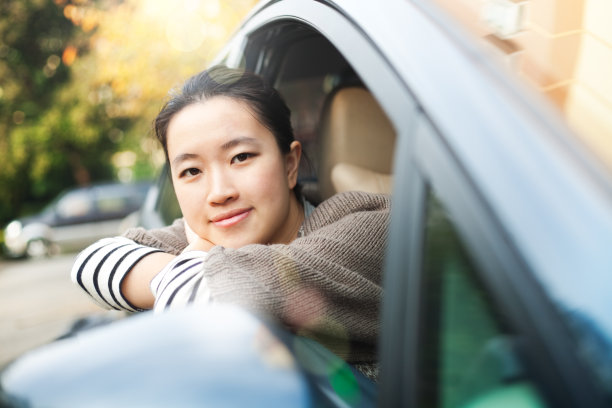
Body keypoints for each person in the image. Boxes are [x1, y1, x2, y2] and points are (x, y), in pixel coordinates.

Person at [71, 65, 390, 380]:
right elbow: (91, 263)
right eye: (192, 171)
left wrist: (193, 259)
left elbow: (215, 301)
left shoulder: (365, 228)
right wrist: (196, 258)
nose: (219, 193)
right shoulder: (207, 233)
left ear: (290, 164)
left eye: (241, 157)